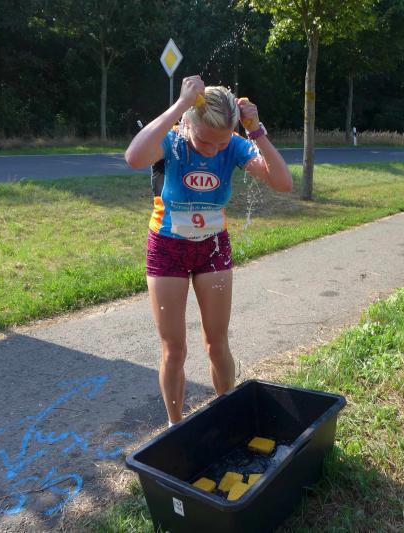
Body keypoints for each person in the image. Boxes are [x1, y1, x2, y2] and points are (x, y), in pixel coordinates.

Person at [125, 75, 293, 425]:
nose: (213, 150)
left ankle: (227, 417)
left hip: (213, 248)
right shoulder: (172, 140)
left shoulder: (235, 145)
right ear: (187, 123)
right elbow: (134, 157)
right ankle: (175, 426)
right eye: (204, 141)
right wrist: (181, 104)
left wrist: (256, 130)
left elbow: (282, 182)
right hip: (168, 248)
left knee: (217, 343)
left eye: (221, 143)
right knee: (174, 349)